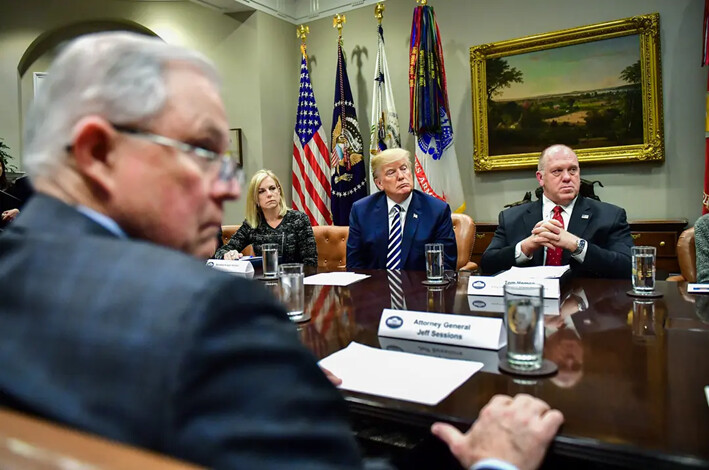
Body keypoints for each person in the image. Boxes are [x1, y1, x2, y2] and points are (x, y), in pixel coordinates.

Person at [0, 32, 563, 470]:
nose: (228, 187)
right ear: (98, 154)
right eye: (202, 151)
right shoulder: (215, 316)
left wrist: (261, 387)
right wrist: (496, 460)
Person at [481, 144, 633, 278]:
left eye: (572, 170)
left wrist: (577, 245)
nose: (567, 177)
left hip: (585, 304)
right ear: (541, 178)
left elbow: (628, 267)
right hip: (531, 304)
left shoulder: (610, 216)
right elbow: (487, 265)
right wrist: (525, 248)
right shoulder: (511, 218)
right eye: (557, 171)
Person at [347, 148, 457, 271]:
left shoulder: (437, 210)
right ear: (379, 183)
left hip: (421, 288)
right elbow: (354, 265)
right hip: (375, 287)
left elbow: (445, 266)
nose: (401, 176)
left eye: (404, 168)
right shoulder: (362, 211)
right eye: (391, 172)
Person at [214, 169, 317, 265]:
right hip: (264, 281)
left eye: (272, 188)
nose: (269, 194)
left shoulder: (298, 219)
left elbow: (311, 263)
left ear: (279, 191)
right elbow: (221, 252)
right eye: (261, 191)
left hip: (293, 280)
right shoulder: (253, 224)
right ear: (255, 199)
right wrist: (228, 254)